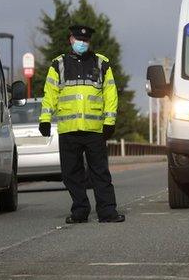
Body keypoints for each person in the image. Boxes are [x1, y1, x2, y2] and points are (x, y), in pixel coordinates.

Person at [39, 25, 125, 223]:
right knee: (71, 174)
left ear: (90, 42)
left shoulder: (102, 63)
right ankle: (80, 211)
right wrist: (44, 119)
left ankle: (107, 211)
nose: (82, 43)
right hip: (69, 129)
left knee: (100, 173)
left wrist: (109, 122)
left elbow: (110, 94)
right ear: (71, 39)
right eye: (78, 39)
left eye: (85, 40)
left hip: (94, 130)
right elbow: (50, 93)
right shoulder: (58, 65)